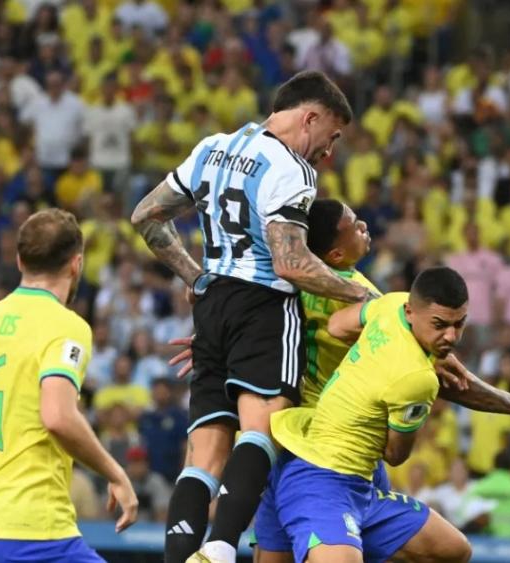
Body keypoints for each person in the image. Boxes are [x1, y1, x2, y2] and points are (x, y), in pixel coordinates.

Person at [130, 71, 373, 563]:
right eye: (332, 135)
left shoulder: (211, 148)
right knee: (261, 430)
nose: (329, 151)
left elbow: (145, 216)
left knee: (204, 454)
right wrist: (362, 296)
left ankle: (179, 557)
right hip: (264, 305)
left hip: (214, 303)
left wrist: (196, 278)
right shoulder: (292, 170)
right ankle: (221, 548)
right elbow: (290, 263)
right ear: (311, 116)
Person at [258, 268, 510, 563]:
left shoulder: (391, 304)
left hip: (348, 474)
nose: (450, 336)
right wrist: (396, 376)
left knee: (453, 550)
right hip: (320, 479)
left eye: (459, 324)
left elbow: (338, 324)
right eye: (439, 325)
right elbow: (396, 454)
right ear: (412, 312)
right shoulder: (416, 380)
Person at [0, 209, 138, 562]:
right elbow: (58, 416)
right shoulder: (66, 326)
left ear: (19, 260)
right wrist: (116, 473)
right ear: (76, 264)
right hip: (35, 530)